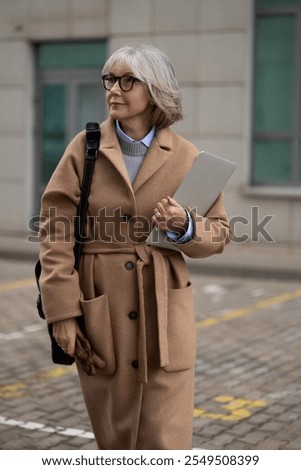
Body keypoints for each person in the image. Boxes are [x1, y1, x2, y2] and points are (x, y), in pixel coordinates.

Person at [39, 42, 231, 450]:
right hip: (100, 308)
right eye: (110, 79)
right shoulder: (84, 148)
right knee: (115, 437)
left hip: (164, 310)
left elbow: (220, 234)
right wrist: (62, 312)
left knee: (165, 441)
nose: (114, 89)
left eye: (128, 80)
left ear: (155, 89)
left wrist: (186, 226)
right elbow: (56, 230)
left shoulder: (187, 157)